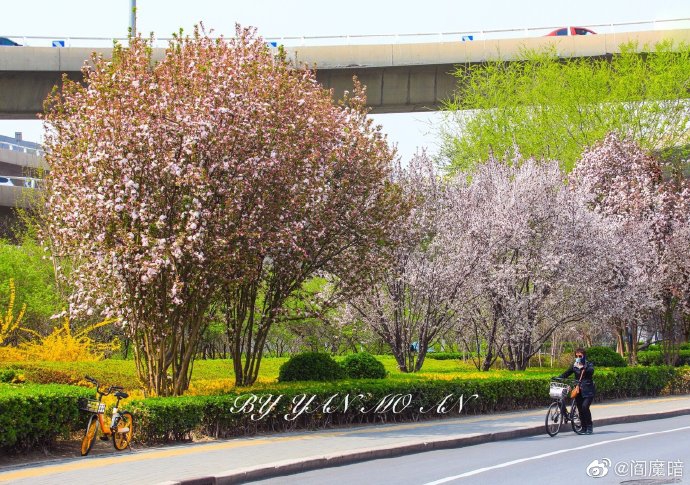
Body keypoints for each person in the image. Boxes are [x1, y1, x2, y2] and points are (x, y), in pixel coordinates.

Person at [558, 347, 595, 434]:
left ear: (584, 356)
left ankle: (589, 426)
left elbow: (591, 371)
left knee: (585, 407)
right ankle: (583, 427)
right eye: (576, 356)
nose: (578, 357)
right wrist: (559, 377)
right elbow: (566, 373)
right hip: (578, 390)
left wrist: (584, 367)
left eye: (580, 356)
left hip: (588, 390)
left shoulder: (588, 364)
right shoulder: (574, 366)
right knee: (580, 409)